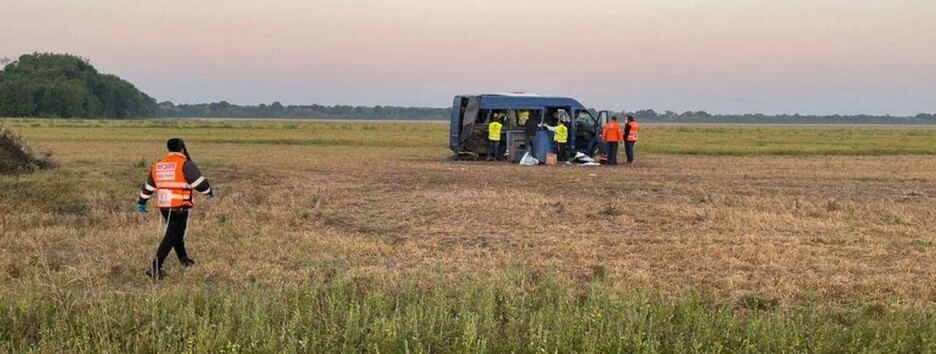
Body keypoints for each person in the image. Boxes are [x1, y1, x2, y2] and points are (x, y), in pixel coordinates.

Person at [137, 138, 214, 279]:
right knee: (172, 236)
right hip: (179, 206)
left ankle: (184, 260)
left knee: (177, 234)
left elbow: (148, 187)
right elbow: (199, 183)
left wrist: (142, 202)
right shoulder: (185, 164)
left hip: (165, 207)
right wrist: (209, 191)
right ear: (182, 148)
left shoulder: (158, 165)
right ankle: (155, 267)